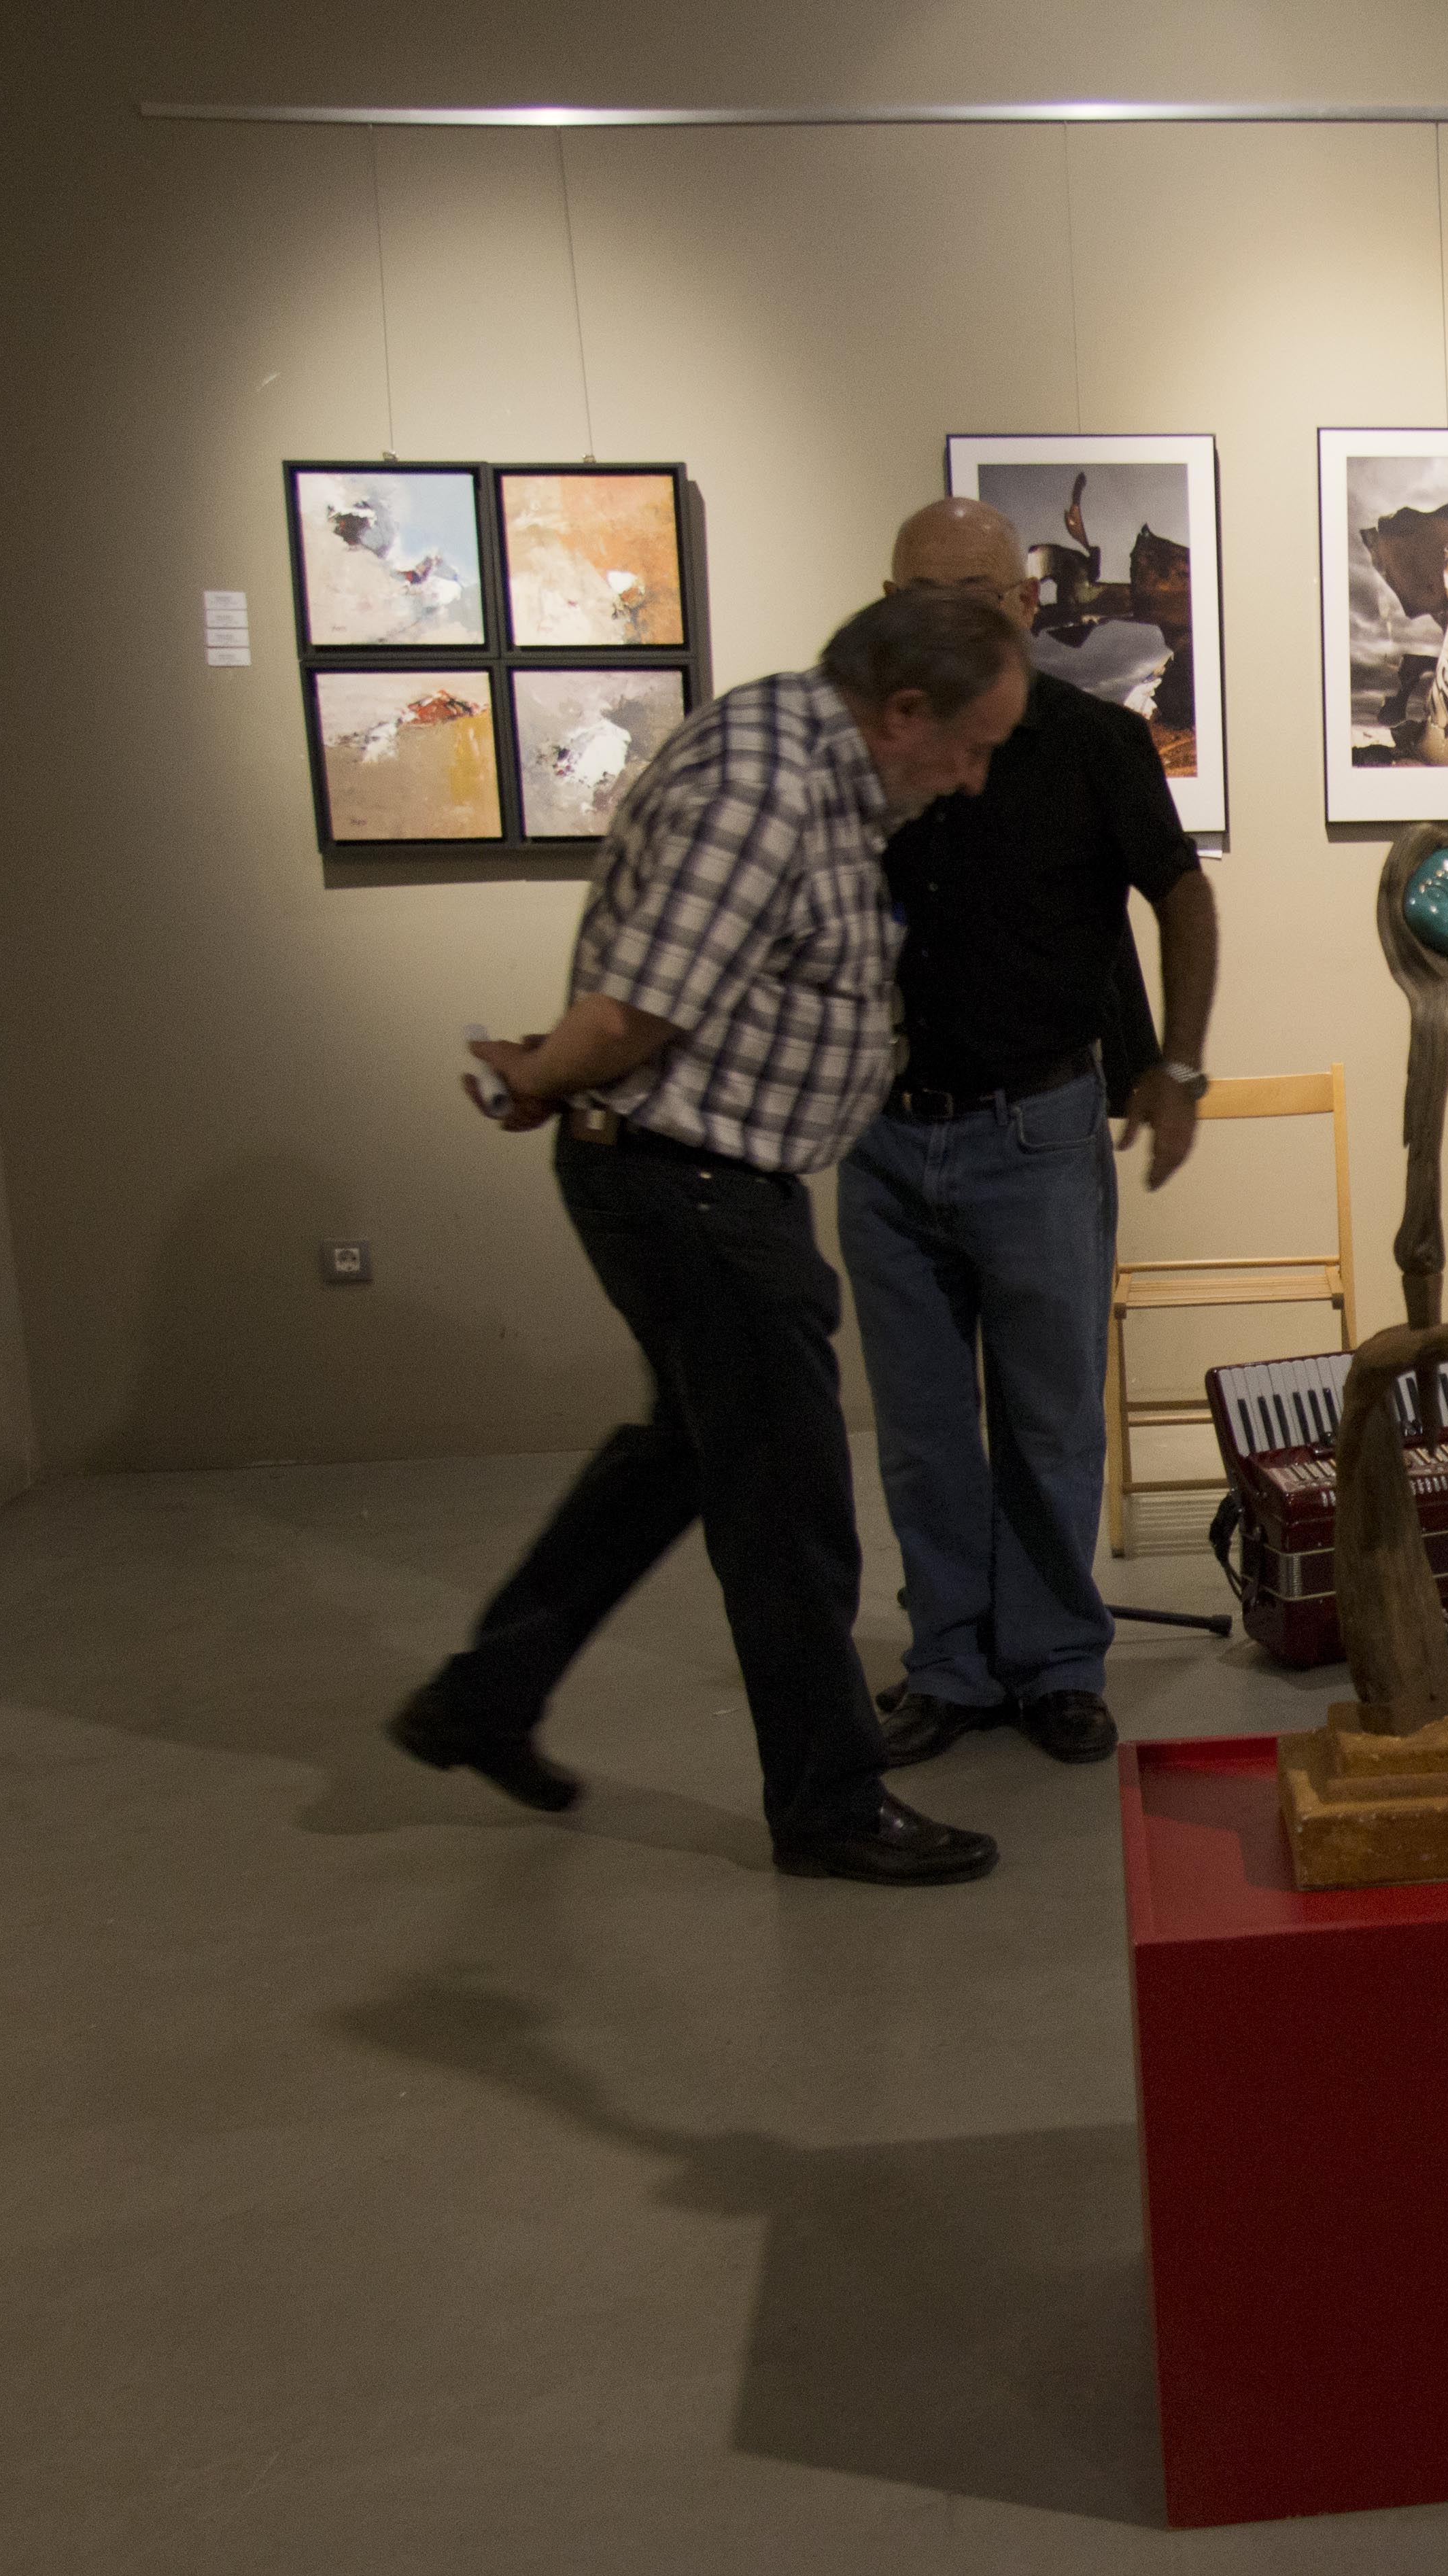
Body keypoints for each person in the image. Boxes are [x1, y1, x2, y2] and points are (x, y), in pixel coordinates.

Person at [385, 586, 1031, 1887]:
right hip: (692, 1188)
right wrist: (537, 1077)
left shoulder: (810, 766)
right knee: (786, 1506)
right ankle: (829, 1804)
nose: (972, 781)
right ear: (904, 711)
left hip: (709, 1182)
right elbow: (637, 1012)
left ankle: (483, 1697)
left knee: (683, 1456)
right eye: (971, 749)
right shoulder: (766, 787)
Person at [838, 499, 1220, 1769]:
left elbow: (1181, 894)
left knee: (1051, 1421)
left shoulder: (1093, 742)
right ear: (889, 606)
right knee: (923, 1431)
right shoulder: (862, 749)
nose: (949, 623)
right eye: (923, 599)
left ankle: (1055, 1658)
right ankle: (950, 1661)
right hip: (888, 1136)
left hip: (1038, 1134)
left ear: (1023, 605)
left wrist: (1176, 1065)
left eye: (978, 598)